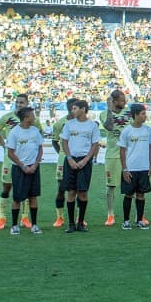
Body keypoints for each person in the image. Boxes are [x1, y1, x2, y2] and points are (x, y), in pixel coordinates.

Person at [0, 93, 40, 230]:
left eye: (22, 103)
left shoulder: (33, 121)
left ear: (26, 104)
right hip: (11, 158)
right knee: (7, 187)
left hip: (27, 159)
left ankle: (24, 218)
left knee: (27, 190)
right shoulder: (7, 117)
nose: (19, 105)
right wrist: (4, 145)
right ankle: (2, 217)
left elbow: (38, 136)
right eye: (17, 102)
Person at [60, 97, 100, 233]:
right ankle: (71, 223)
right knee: (71, 192)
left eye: (75, 108)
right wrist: (69, 158)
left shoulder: (92, 125)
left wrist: (86, 159)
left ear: (83, 109)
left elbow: (95, 144)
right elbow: (64, 141)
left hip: (84, 161)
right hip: (71, 161)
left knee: (83, 193)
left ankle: (81, 222)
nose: (73, 110)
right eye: (72, 108)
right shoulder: (69, 124)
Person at [5, 105, 44, 235]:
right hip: (19, 169)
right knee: (17, 198)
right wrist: (23, 166)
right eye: (32, 115)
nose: (34, 117)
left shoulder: (35, 131)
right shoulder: (14, 132)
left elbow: (40, 149)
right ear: (26, 117)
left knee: (33, 196)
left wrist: (35, 165)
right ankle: (15, 225)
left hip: (33, 168)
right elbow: (10, 153)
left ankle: (34, 225)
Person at [118, 103, 151, 230]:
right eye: (143, 114)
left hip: (144, 168)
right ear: (135, 115)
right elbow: (122, 151)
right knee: (128, 195)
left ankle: (139, 220)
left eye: (145, 113)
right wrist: (124, 169)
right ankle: (126, 221)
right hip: (131, 169)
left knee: (141, 195)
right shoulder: (127, 131)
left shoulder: (148, 130)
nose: (145, 116)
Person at [101, 89, 134, 227]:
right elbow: (108, 126)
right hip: (113, 155)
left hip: (130, 155)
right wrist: (109, 109)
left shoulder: (129, 113)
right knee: (111, 186)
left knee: (133, 186)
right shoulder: (104, 114)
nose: (124, 102)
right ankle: (110, 215)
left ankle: (138, 215)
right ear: (113, 102)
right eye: (121, 100)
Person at [50, 114, 69, 227]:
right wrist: (62, 153)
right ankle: (59, 217)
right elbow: (54, 141)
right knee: (61, 189)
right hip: (63, 160)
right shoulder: (60, 123)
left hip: (78, 158)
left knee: (78, 190)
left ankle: (78, 218)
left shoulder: (83, 123)